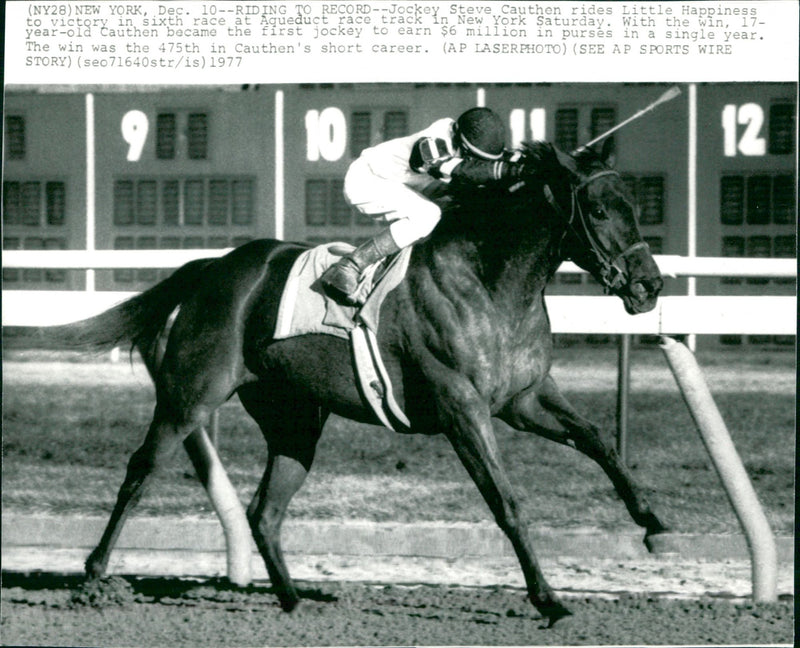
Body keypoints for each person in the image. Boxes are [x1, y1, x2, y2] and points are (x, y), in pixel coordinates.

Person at [319, 107, 529, 305]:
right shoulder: (433, 141)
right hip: (367, 180)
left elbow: (505, 161)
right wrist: (510, 171)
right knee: (428, 214)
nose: (475, 161)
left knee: (463, 204)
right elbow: (463, 169)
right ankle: (350, 266)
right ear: (462, 144)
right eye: (473, 156)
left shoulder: (461, 140)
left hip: (406, 185)